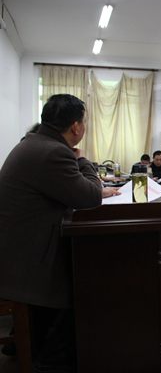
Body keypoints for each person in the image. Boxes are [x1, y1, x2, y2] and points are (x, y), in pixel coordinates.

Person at [0, 94, 117, 372]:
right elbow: (89, 196)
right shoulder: (54, 152)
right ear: (76, 126)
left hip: (16, 251)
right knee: (85, 286)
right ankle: (50, 361)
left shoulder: (33, 143)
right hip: (26, 263)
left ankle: (28, 341)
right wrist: (83, 160)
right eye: (84, 122)